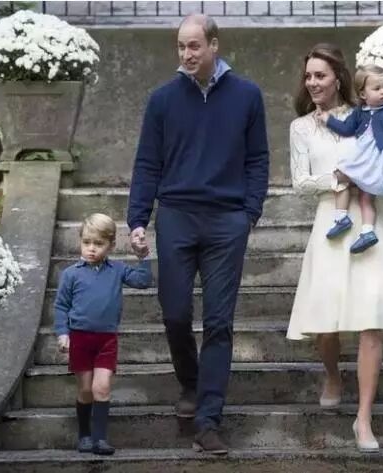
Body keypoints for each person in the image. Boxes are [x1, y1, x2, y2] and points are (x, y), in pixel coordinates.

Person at [127, 13, 269, 454]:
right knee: (174, 313)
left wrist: (249, 213)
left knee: (219, 322)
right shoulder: (162, 100)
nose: (187, 54)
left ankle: (208, 419)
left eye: (194, 46)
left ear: (213, 45)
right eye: (181, 46)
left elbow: (258, 159)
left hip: (227, 221)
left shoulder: (247, 95)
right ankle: (190, 382)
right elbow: (147, 162)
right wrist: (137, 219)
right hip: (177, 215)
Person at [287, 44, 383, 452]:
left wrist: (372, 175)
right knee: (325, 324)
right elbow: (301, 182)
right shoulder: (301, 128)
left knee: (372, 322)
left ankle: (364, 418)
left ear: (338, 78)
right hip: (329, 222)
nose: (312, 82)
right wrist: (340, 179)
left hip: (367, 221)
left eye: (320, 75)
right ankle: (333, 375)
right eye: (308, 76)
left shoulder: (368, 115)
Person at [54, 213, 153, 455]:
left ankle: (100, 439)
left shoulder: (117, 270)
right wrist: (63, 333)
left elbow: (143, 282)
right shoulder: (71, 274)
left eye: (98, 244)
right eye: (86, 242)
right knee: (86, 390)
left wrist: (144, 257)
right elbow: (61, 306)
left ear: (111, 245)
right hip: (80, 338)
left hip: (106, 340)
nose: (91, 248)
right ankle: (84, 436)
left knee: (102, 387)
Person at [317, 64, 383, 254]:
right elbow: (347, 128)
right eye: (377, 88)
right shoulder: (360, 112)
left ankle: (359, 227)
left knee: (359, 190)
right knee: (345, 180)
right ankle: (351, 223)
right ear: (363, 94)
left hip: (379, 159)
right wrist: (329, 120)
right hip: (363, 158)